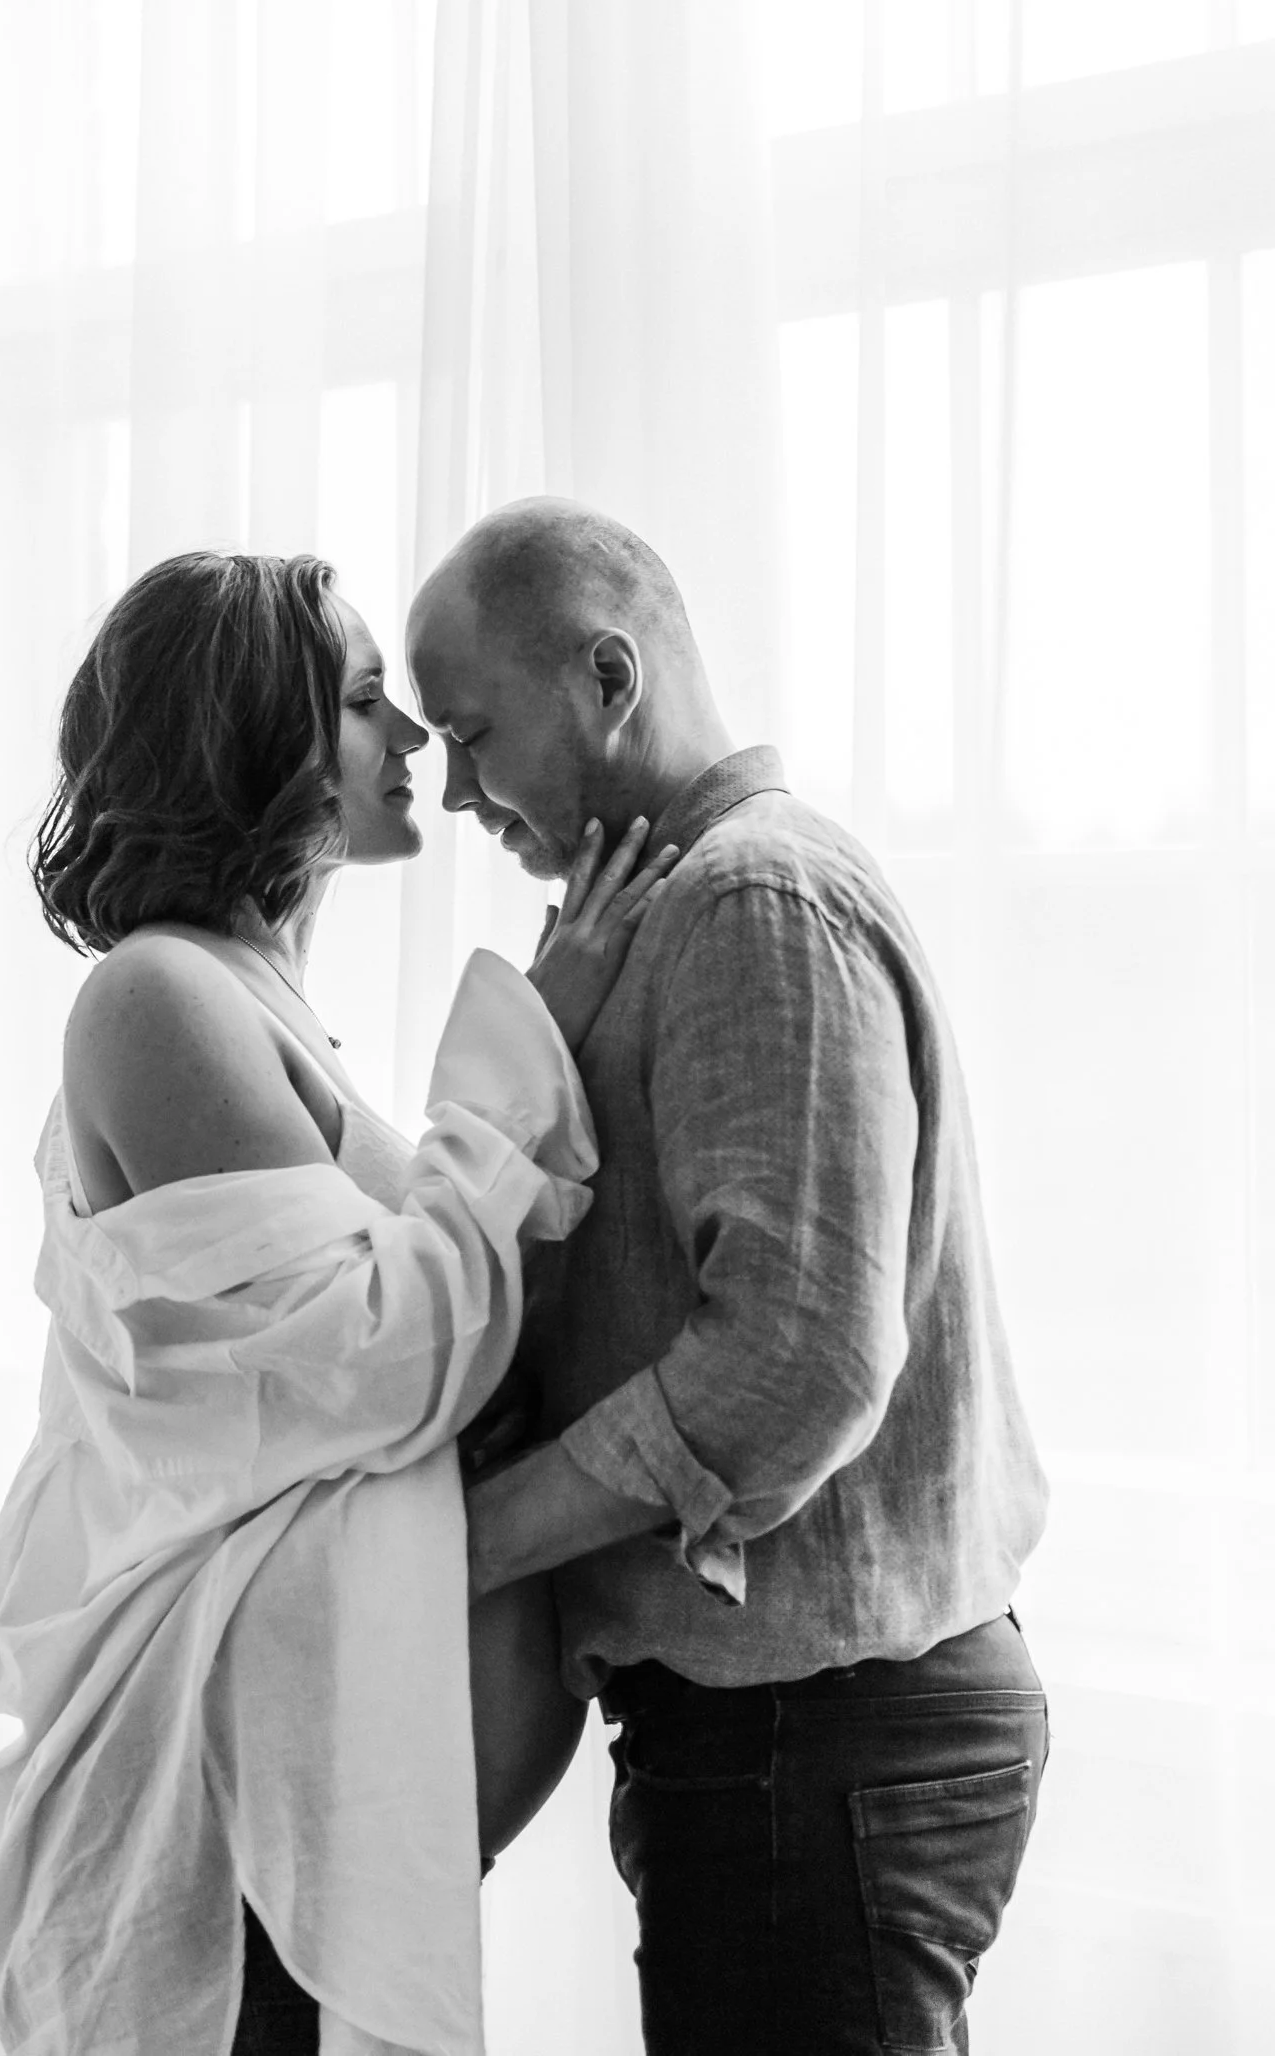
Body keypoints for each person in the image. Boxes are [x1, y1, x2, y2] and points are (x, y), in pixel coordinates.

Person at [0, 549, 675, 2056]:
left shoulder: (262, 1003)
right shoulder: (156, 999)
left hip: (326, 1844)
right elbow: (374, 1360)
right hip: (226, 1845)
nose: (416, 742)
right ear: (250, 741)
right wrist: (525, 1043)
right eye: (365, 702)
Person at [407, 497, 1052, 2056]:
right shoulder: (688, 909)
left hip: (817, 1747)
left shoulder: (749, 905)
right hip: (794, 1748)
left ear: (609, 683)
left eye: (470, 733)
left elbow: (792, 1367)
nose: (451, 793)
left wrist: (473, 1542)